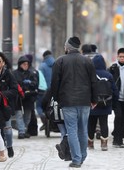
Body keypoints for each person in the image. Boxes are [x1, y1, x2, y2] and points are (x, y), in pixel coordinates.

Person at [51, 36, 97, 168]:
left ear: (67, 47)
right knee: (83, 129)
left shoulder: (60, 61)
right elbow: (94, 81)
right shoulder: (87, 61)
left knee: (71, 129)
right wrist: (94, 99)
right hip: (85, 101)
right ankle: (82, 156)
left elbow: (55, 83)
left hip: (68, 101)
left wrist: (56, 98)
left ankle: (76, 158)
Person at [0, 51, 18, 159]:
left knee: (8, 129)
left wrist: (2, 94)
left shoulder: (8, 74)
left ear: (3, 63)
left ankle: (9, 146)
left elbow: (14, 90)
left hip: (5, 105)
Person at [88, 54, 118, 151]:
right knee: (104, 123)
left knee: (91, 124)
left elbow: (87, 88)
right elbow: (114, 89)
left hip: (93, 103)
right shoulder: (108, 75)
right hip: (106, 103)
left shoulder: (90, 74)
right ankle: (104, 144)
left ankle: (90, 143)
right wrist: (114, 101)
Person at [13, 55, 38, 138]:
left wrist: (29, 83)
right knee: (19, 114)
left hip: (29, 97)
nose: (25, 66)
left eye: (27, 64)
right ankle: (22, 131)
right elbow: (14, 84)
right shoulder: (15, 73)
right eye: (24, 64)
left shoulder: (32, 73)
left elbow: (35, 84)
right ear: (20, 65)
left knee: (28, 116)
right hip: (18, 97)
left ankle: (23, 129)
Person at [38, 50, 55, 131]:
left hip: (44, 91)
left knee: (40, 106)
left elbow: (39, 78)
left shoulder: (42, 66)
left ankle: (45, 122)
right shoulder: (57, 63)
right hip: (55, 90)